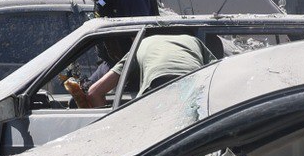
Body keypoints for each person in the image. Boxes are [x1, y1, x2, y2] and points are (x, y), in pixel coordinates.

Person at [70, 32, 213, 108]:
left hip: (155, 89)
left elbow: (94, 92)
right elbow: (220, 71)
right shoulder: (194, 41)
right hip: (192, 86)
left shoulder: (141, 44)